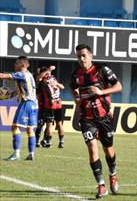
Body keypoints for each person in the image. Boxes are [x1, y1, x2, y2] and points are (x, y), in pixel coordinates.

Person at [70, 44, 122, 199]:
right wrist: (77, 101)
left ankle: (113, 175)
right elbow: (73, 89)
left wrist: (102, 92)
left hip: (104, 117)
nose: (81, 59)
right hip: (87, 118)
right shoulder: (75, 74)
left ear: (91, 55)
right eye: (79, 56)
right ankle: (101, 185)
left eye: (84, 55)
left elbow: (119, 86)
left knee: (108, 149)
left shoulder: (102, 70)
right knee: (92, 148)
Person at [0, 56, 38, 161]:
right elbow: (19, 92)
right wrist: (8, 95)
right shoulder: (29, 75)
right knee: (30, 129)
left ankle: (16, 153)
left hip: (26, 104)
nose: (14, 65)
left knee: (15, 127)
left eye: (16, 63)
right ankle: (31, 154)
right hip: (34, 104)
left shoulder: (21, 74)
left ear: (22, 65)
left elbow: (3, 76)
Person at [35, 66, 65, 148]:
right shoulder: (53, 79)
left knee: (46, 125)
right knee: (59, 124)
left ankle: (48, 142)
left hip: (49, 105)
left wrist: (48, 71)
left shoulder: (43, 81)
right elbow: (63, 87)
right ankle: (61, 142)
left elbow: (38, 78)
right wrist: (56, 84)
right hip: (58, 104)